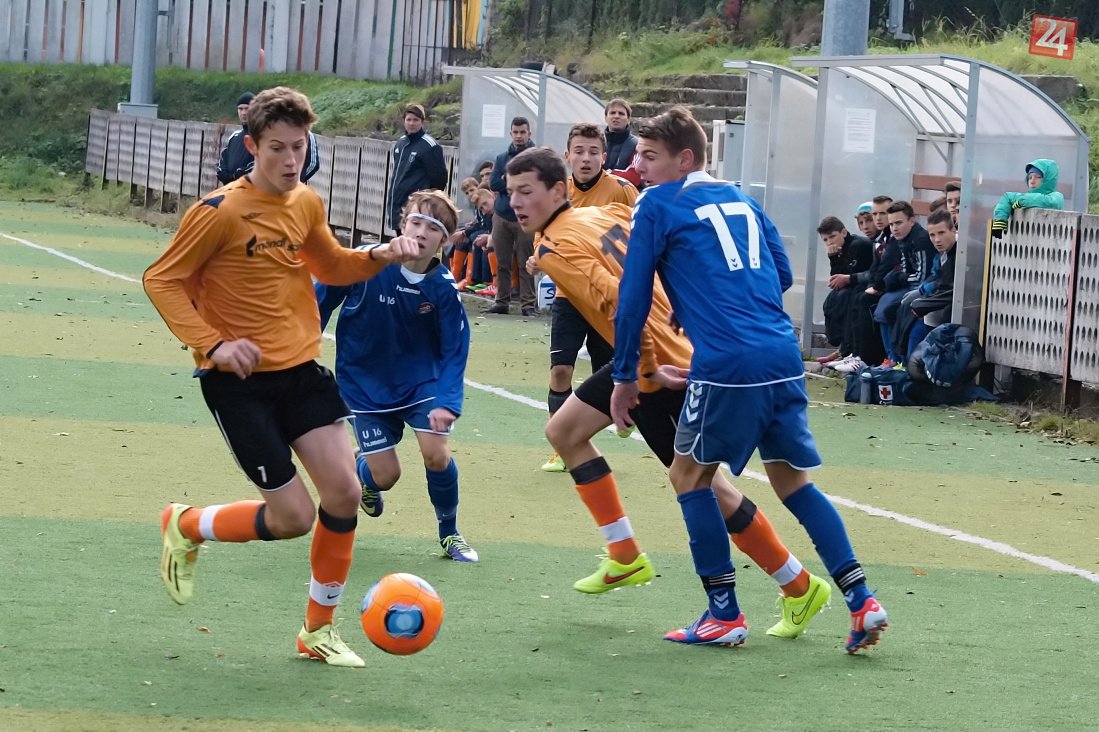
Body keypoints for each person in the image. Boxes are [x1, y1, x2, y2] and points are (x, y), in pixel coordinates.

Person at [144, 86, 421, 669]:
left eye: (300, 146)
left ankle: (317, 631)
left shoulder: (306, 203)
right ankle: (186, 524)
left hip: (301, 371)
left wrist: (378, 254)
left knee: (345, 492)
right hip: (237, 384)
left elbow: (331, 265)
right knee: (293, 518)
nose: (291, 159)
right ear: (252, 147)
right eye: (278, 148)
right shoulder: (218, 213)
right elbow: (161, 280)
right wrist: (214, 344)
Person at [508, 146, 830, 639]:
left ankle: (792, 586)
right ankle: (624, 554)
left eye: (526, 191)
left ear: (557, 191)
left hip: (656, 363)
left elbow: (619, 299)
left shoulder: (556, 246)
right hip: (657, 350)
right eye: (511, 192)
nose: (515, 201)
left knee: (703, 486)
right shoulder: (605, 213)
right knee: (565, 431)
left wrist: (645, 371)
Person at [610, 106, 887, 653]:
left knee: (689, 477)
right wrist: (705, 296)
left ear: (684, 159)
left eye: (649, 156)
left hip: (727, 363)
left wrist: (625, 376)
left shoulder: (657, 203)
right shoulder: (743, 198)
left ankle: (723, 614)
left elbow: (633, 295)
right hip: (781, 355)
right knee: (793, 483)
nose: (639, 166)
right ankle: (862, 600)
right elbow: (779, 274)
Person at [315, 190, 478, 563]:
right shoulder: (367, 261)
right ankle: (364, 470)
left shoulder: (443, 289)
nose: (421, 232)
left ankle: (450, 533)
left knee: (436, 455)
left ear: (444, 241)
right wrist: (301, 350)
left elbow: (455, 350)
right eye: (415, 222)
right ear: (402, 225)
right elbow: (318, 300)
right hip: (362, 386)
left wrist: (447, 402)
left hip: (421, 383)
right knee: (386, 475)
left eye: (433, 228)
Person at [539, 123, 637, 473]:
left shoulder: (622, 191)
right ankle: (563, 448)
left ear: (604, 157)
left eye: (593, 152)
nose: (586, 158)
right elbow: (544, 235)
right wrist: (539, 257)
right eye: (579, 151)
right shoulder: (556, 193)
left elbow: (639, 235)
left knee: (607, 373)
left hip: (607, 297)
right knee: (560, 370)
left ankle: (625, 410)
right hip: (569, 294)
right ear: (567, 156)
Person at [487, 117, 537, 315]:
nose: (518, 136)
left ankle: (528, 305)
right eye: (515, 132)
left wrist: (507, 181)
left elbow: (536, 184)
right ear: (510, 134)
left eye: (522, 132)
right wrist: (518, 183)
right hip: (502, 215)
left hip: (526, 217)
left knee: (527, 262)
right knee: (502, 262)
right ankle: (502, 302)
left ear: (529, 134)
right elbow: (494, 184)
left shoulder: (536, 158)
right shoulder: (501, 158)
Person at [875, 200, 934, 367]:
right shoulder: (902, 239)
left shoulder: (920, 240)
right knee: (882, 307)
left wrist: (899, 278)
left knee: (889, 307)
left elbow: (922, 277)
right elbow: (906, 269)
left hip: (924, 290)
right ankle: (891, 358)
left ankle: (898, 360)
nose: (894, 228)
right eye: (891, 224)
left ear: (912, 220)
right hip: (911, 286)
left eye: (899, 223)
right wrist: (896, 278)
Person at [216, 91, 320, 185]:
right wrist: (229, 177)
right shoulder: (236, 137)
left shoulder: (306, 135)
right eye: (240, 109)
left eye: (247, 108)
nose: (244, 113)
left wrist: (296, 182)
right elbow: (222, 162)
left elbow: (312, 164)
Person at [816, 215, 873, 366]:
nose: (830, 242)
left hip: (867, 286)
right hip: (856, 285)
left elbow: (852, 275)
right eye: (825, 240)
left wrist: (836, 260)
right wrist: (834, 258)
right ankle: (842, 347)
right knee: (834, 298)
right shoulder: (841, 249)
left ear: (844, 232)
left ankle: (848, 351)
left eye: (832, 236)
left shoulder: (857, 245)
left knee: (846, 298)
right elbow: (838, 278)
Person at [388, 103, 449, 235]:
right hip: (398, 204)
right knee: (401, 242)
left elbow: (439, 178)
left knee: (414, 243)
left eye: (416, 120)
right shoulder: (400, 143)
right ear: (403, 121)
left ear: (422, 122)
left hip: (417, 207)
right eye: (409, 119)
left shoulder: (430, 146)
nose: (412, 123)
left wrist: (426, 200)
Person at [991, 159, 1064, 238]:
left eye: (1038, 177)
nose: (1032, 181)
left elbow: (1052, 203)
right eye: (1030, 177)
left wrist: (1023, 201)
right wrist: (1000, 219)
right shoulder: (1024, 196)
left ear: (1048, 179)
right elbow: (1007, 197)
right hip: (1024, 238)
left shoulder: (1056, 196)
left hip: (1047, 237)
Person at [603, 98, 638, 171]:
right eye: (612, 113)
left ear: (628, 119)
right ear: (605, 118)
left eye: (621, 113)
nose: (616, 116)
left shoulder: (636, 146)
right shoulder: (597, 142)